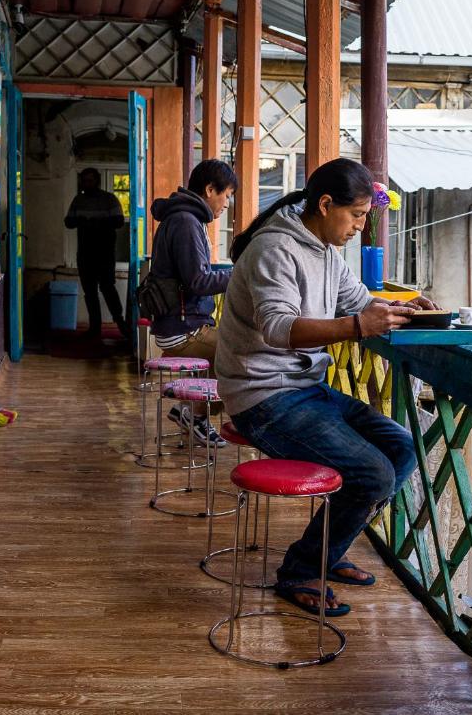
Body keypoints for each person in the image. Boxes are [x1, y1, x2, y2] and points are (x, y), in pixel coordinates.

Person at [216, 158, 435, 617]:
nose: (360, 226)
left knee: (401, 447)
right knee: (372, 474)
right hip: (263, 396)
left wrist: (401, 305)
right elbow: (278, 328)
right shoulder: (274, 249)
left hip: (304, 389)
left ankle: (325, 553)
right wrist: (358, 326)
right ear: (324, 204)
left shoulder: (324, 249)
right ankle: (300, 570)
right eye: (356, 215)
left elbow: (356, 300)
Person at [150, 159, 237, 447]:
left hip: (178, 323)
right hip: (184, 329)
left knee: (235, 352)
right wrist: (242, 274)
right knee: (245, 359)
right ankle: (196, 415)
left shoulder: (183, 218)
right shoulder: (186, 222)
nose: (227, 204)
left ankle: (189, 411)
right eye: (226, 195)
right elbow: (198, 282)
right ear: (210, 190)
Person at [64, 168, 128, 338]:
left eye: (90, 180)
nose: (87, 184)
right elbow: (68, 222)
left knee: (107, 287)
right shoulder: (78, 200)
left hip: (104, 253)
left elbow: (119, 221)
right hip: (85, 253)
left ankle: (121, 323)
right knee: (90, 291)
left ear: (97, 181)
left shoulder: (109, 199)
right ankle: (95, 328)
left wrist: (98, 223)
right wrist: (82, 221)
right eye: (84, 181)